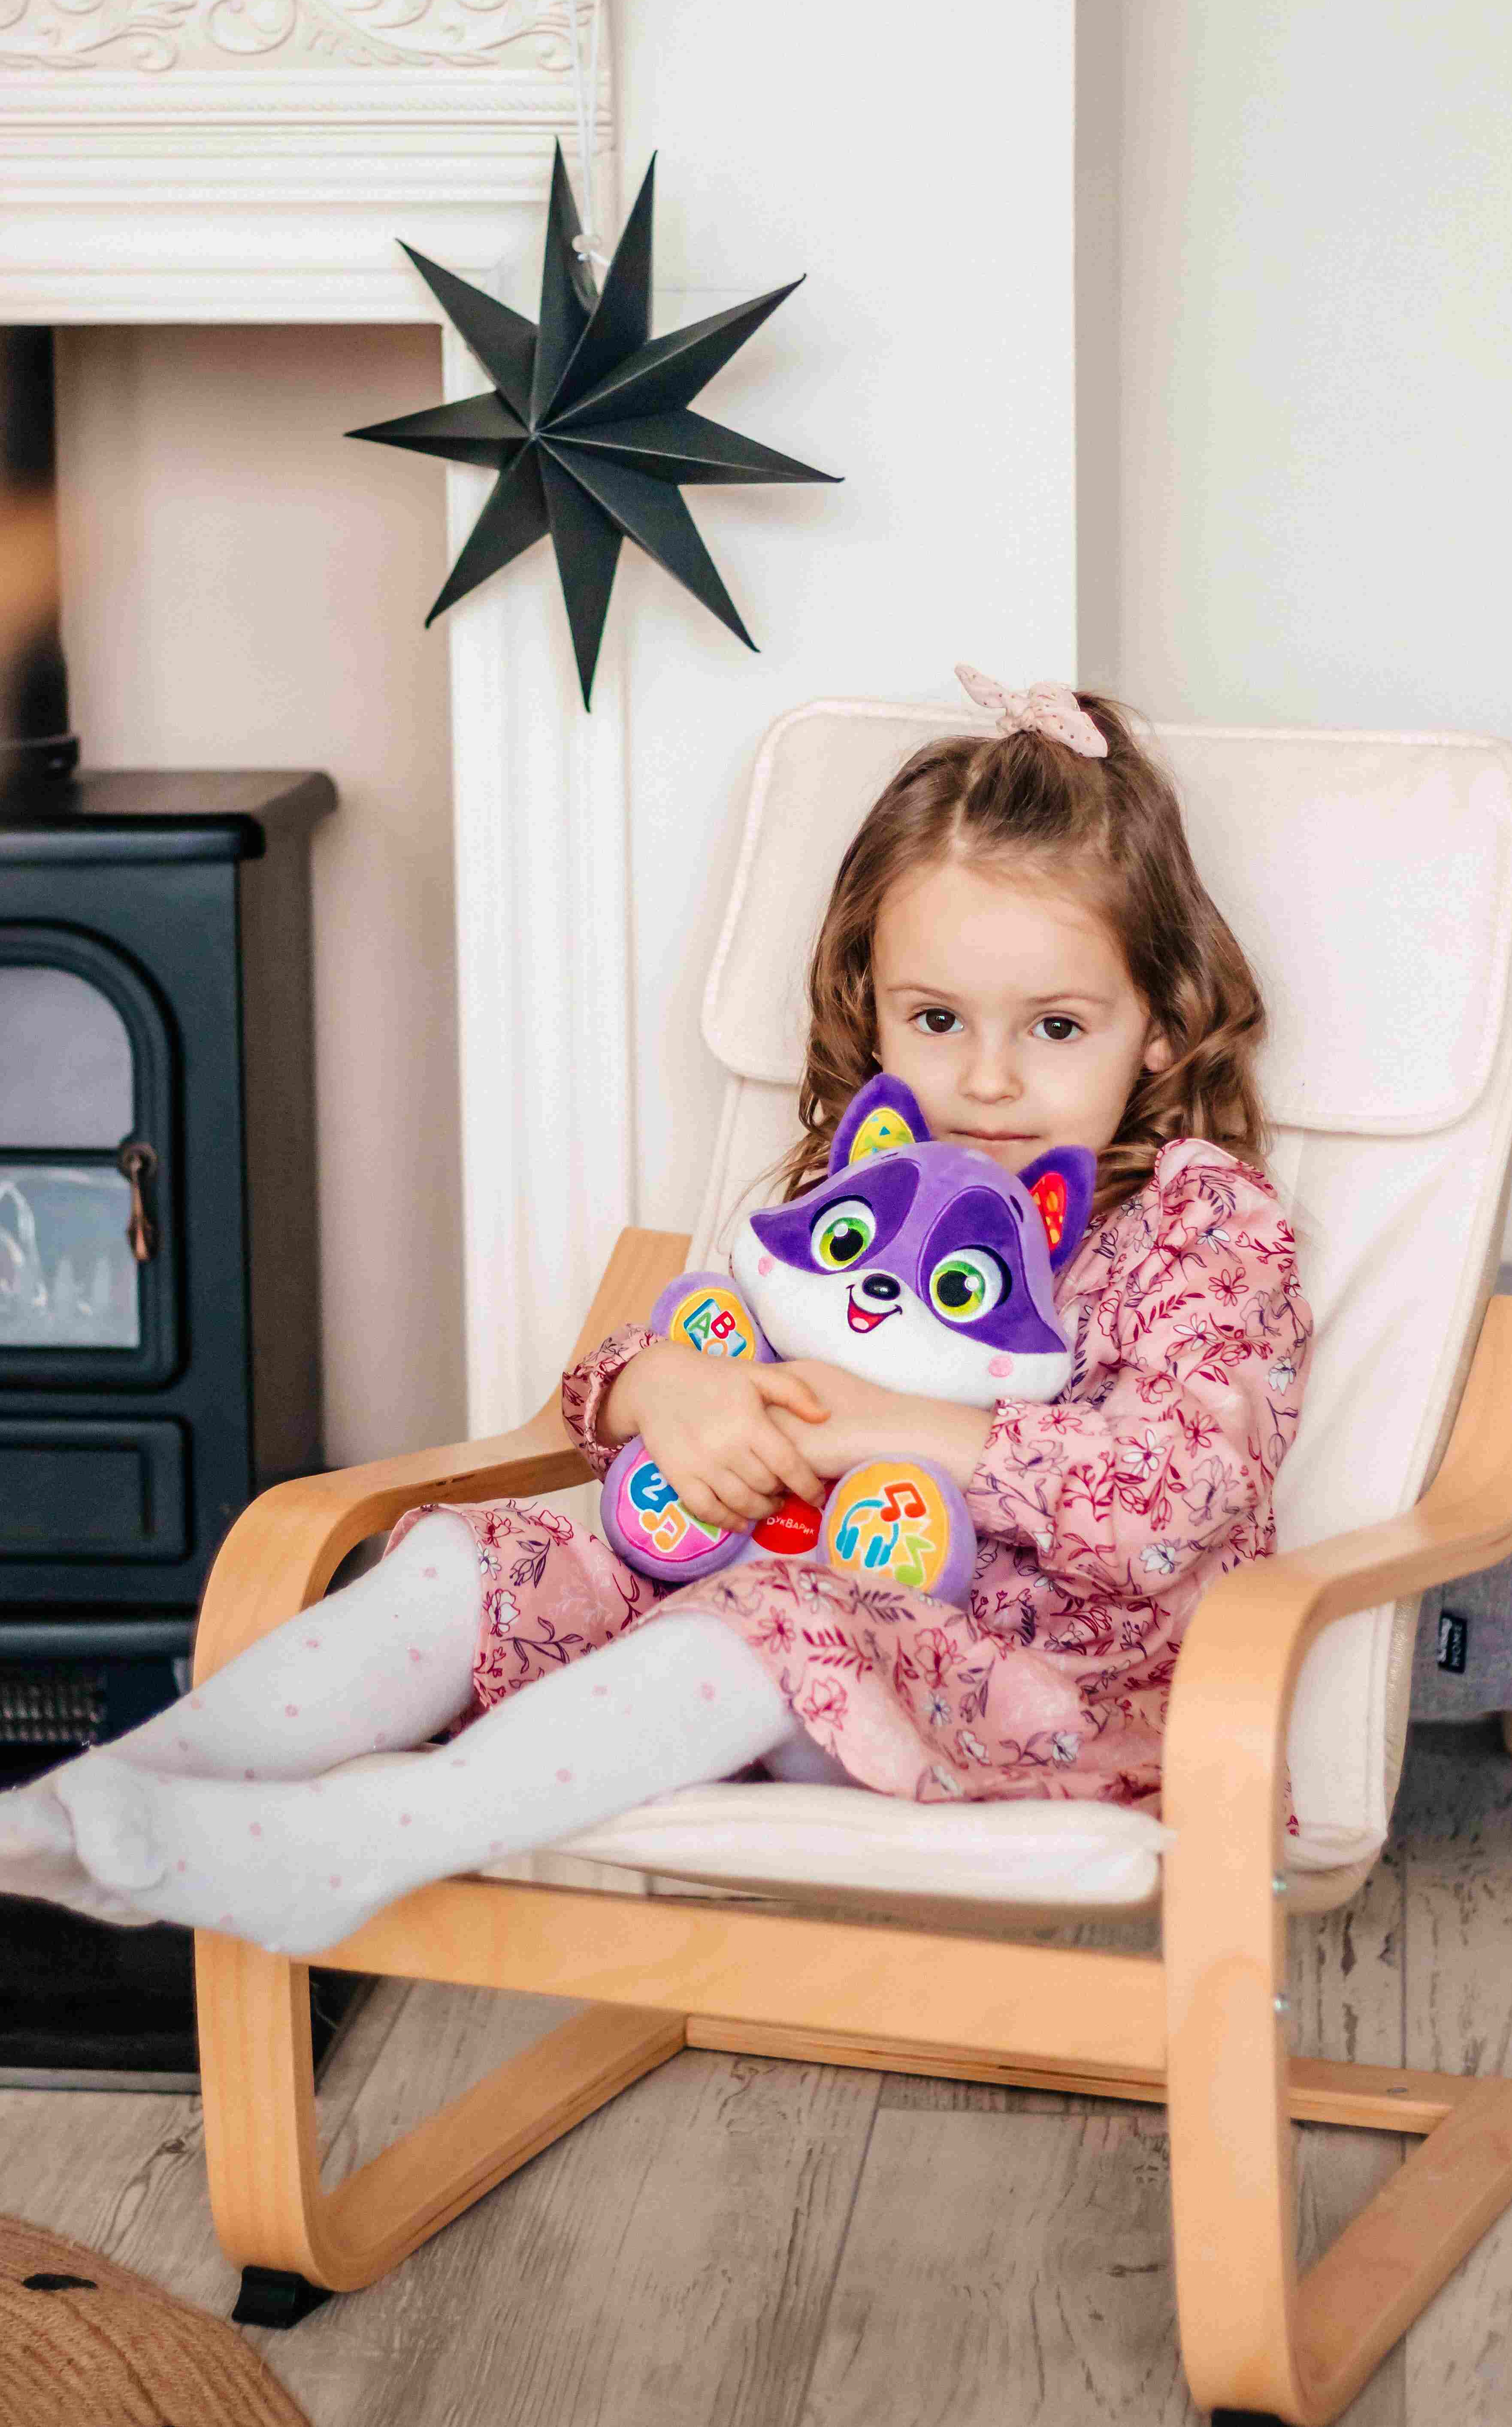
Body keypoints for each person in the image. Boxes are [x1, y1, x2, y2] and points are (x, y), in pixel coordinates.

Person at [0, 667, 1313, 1955]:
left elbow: (1178, 1497)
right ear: (872, 1010)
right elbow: (671, 1357)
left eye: (1056, 1027)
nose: (987, 1078)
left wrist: (883, 1422)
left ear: (1160, 1021)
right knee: (479, 1560)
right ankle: (106, 1801)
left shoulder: (1199, 1225)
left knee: (761, 1616)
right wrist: (661, 1389)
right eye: (936, 1018)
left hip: (1038, 1699)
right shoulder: (860, 1192)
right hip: (751, 1598)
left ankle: (357, 1846)